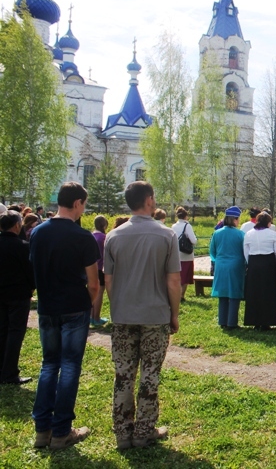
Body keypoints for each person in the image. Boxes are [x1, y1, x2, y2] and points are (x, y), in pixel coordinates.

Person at [104, 181, 181, 450]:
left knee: (123, 374)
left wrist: (119, 307)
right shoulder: (165, 235)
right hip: (155, 315)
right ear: (149, 200)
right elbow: (173, 281)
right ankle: (144, 431)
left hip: (123, 315)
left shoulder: (114, 236)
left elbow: (109, 282)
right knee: (150, 373)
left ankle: (123, 433)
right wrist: (174, 314)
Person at [29, 182, 99, 450]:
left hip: (47, 307)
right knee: (69, 366)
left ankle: (42, 431)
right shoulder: (82, 237)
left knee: (49, 365)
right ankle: (61, 432)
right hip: (73, 307)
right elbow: (94, 283)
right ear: (78, 204)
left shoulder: (37, 232)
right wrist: (87, 304)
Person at [0, 211, 35, 385]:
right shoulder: (22, 246)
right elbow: (30, 272)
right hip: (18, 295)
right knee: (15, 333)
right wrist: (32, 287)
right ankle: (9, 372)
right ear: (16, 225)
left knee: (2, 330)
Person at [243, 212, 276, 329]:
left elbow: (246, 251)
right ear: (268, 223)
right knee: (269, 292)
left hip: (254, 263)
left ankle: (255, 321)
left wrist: (250, 262)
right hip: (268, 263)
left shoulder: (249, 234)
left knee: (254, 292)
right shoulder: (272, 234)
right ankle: (267, 321)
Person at [209, 207, 245, 329]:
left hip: (220, 265)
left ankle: (222, 321)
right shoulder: (240, 234)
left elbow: (212, 251)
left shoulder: (217, 233)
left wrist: (218, 260)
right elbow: (245, 251)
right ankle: (232, 322)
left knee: (222, 294)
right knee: (234, 294)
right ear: (235, 219)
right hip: (236, 266)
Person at [171, 207, 197, 302]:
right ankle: (181, 295)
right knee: (185, 276)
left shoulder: (173, 226)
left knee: (178, 275)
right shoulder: (187, 226)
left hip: (176, 254)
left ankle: (175, 294)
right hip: (186, 255)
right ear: (186, 216)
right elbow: (193, 240)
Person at [90, 216, 109, 327]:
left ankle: (91, 316)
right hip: (101, 268)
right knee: (99, 293)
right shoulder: (103, 237)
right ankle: (96, 317)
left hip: (91, 267)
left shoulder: (92, 235)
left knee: (92, 292)